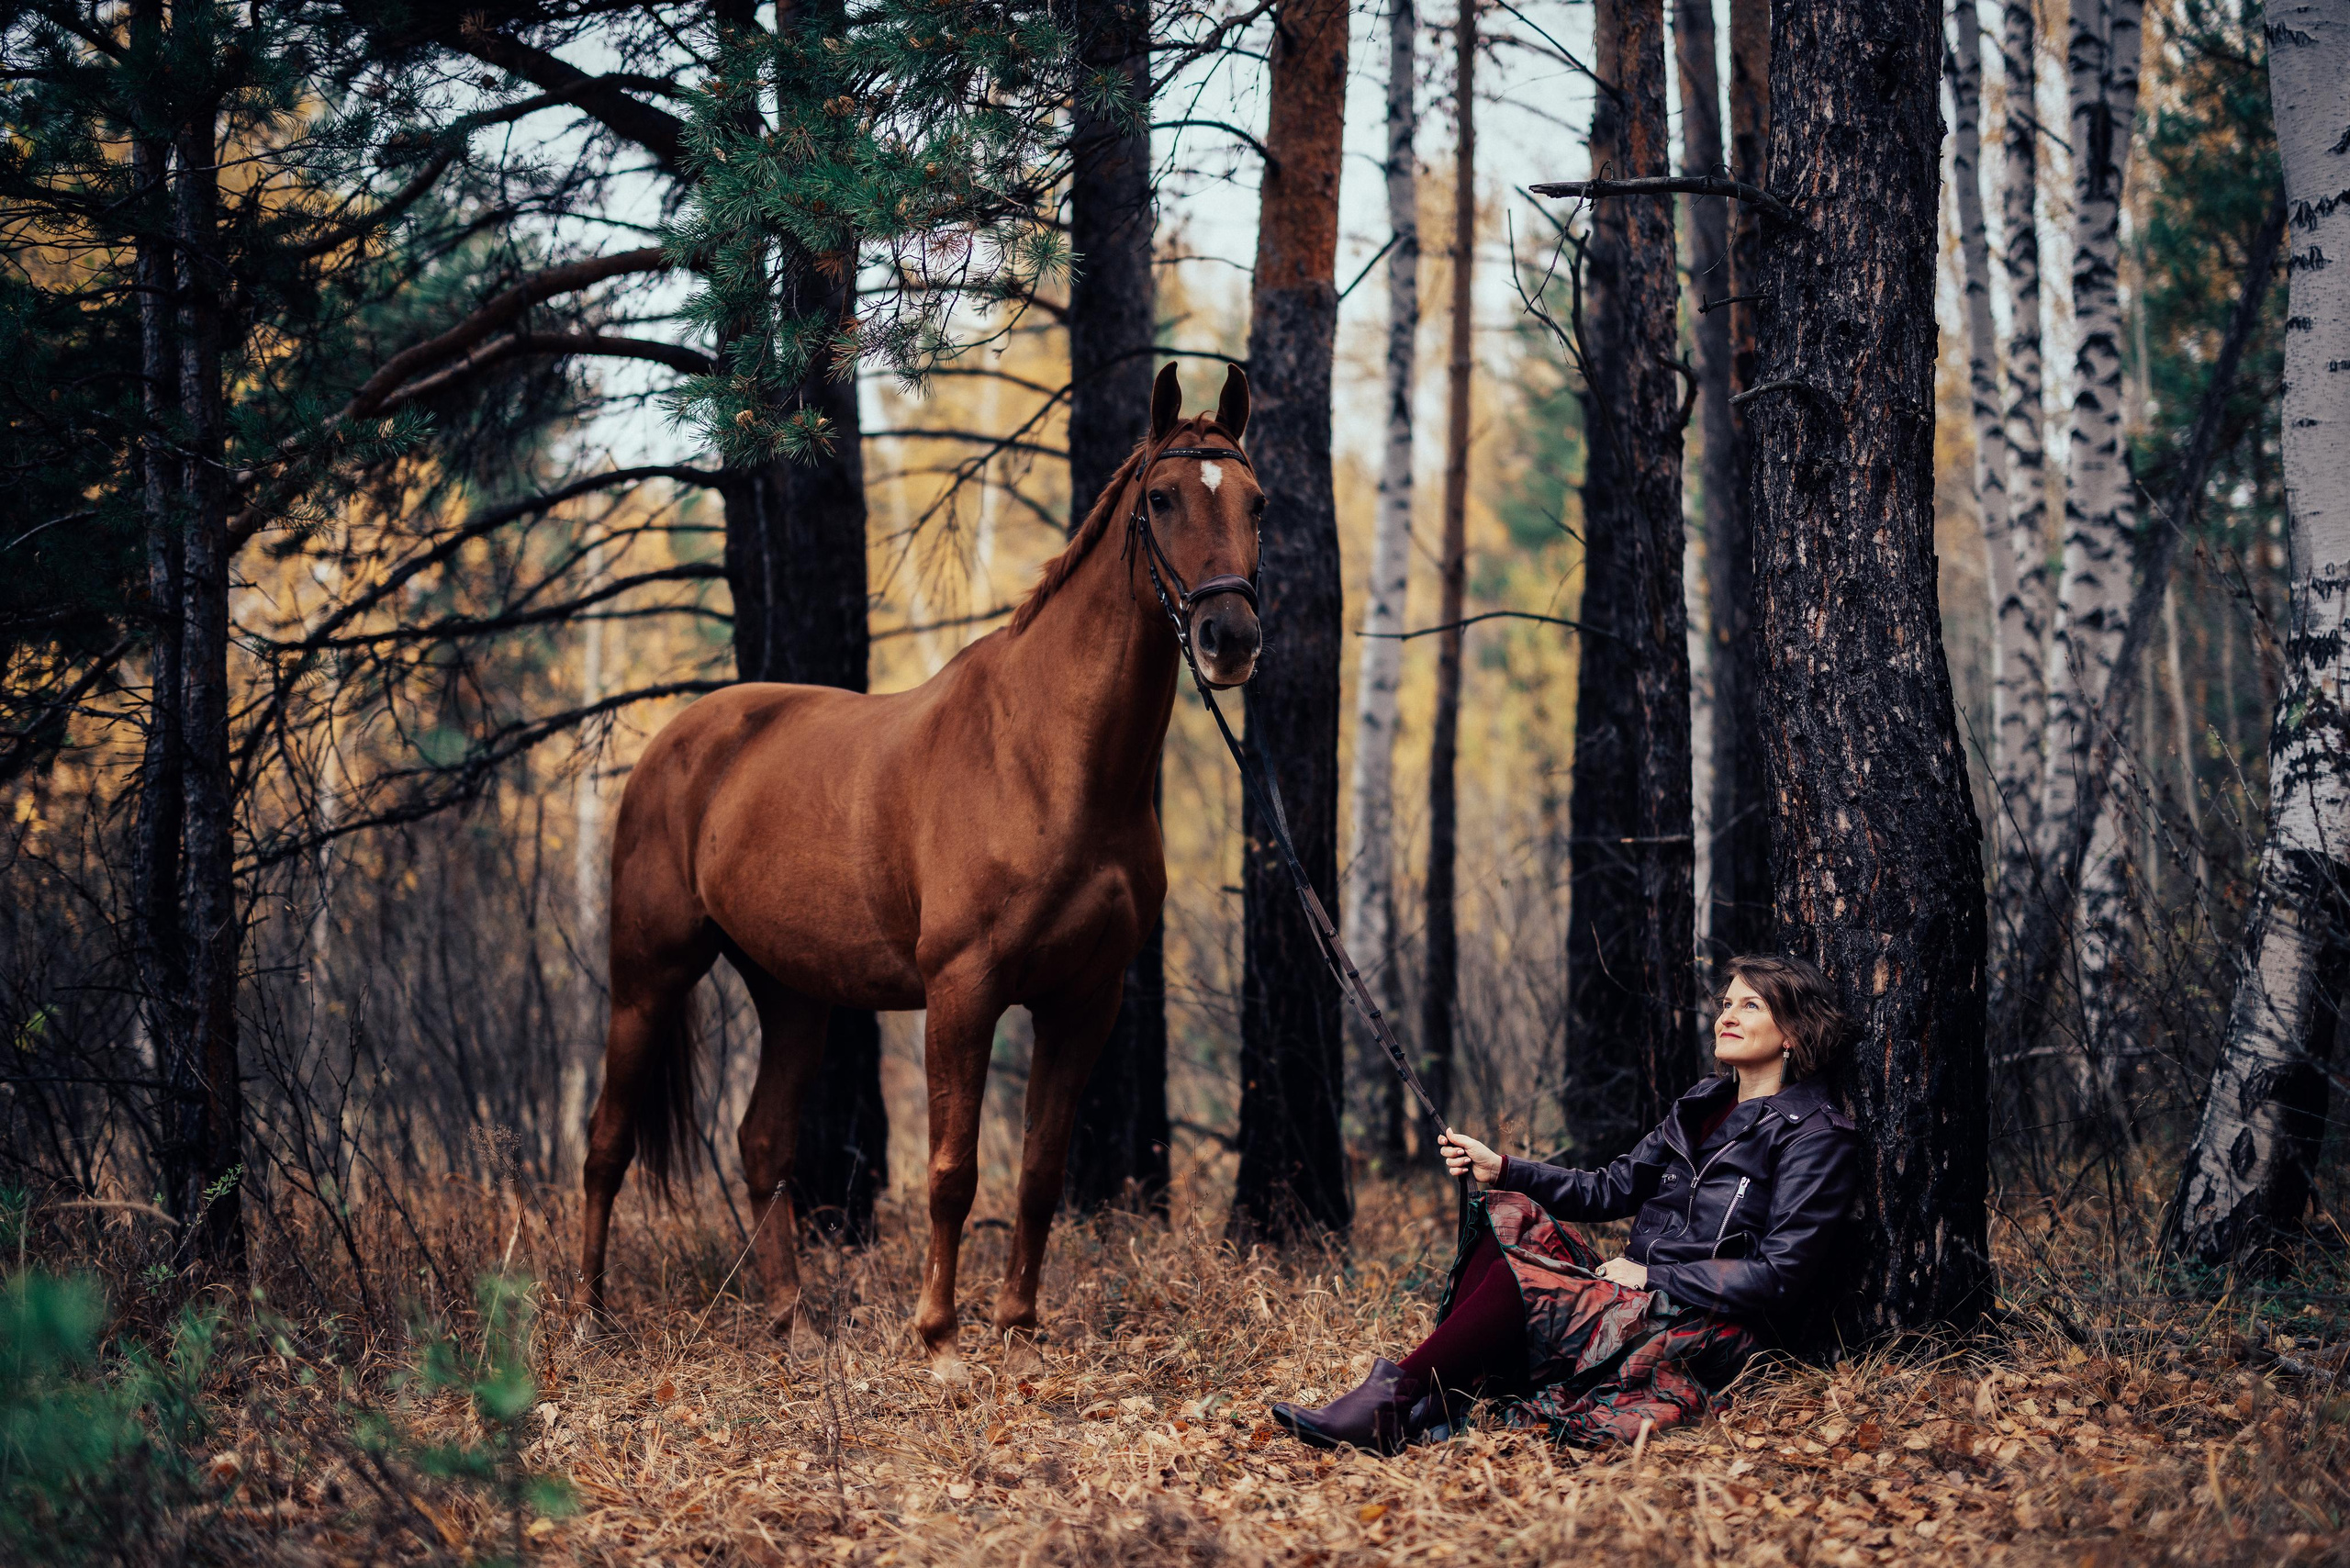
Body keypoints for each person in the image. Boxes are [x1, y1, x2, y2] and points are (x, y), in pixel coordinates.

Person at [1272, 954, 1859, 1454]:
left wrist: (1656, 1275)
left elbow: (1780, 1275)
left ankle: (1396, 1401)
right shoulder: (1702, 1103)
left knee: (1528, 1282)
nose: (1727, 1016)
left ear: (1793, 1031)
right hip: (1639, 1292)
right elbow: (1611, 1187)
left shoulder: (1814, 1136)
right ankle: (1425, 1403)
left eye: (1750, 1006)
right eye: (1726, 1003)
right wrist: (1502, 1168)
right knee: (1508, 1220)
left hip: (1705, 1321)